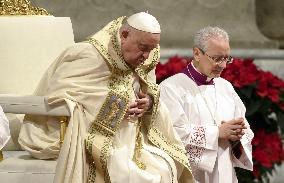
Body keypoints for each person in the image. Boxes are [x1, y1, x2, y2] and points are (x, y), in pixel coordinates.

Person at [18, 12, 193, 183]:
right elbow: (59, 92)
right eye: (143, 48)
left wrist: (148, 103)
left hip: (133, 140)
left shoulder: (144, 57)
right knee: (133, 175)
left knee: (165, 166)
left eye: (152, 49)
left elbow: (149, 88)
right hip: (92, 137)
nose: (147, 56)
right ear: (124, 35)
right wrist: (116, 108)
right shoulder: (88, 54)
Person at [159, 26, 254, 183]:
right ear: (197, 53)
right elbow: (171, 135)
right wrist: (217, 133)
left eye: (226, 58)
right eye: (217, 58)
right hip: (191, 176)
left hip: (226, 173)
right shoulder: (171, 88)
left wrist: (238, 136)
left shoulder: (226, 87)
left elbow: (245, 129)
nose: (223, 65)